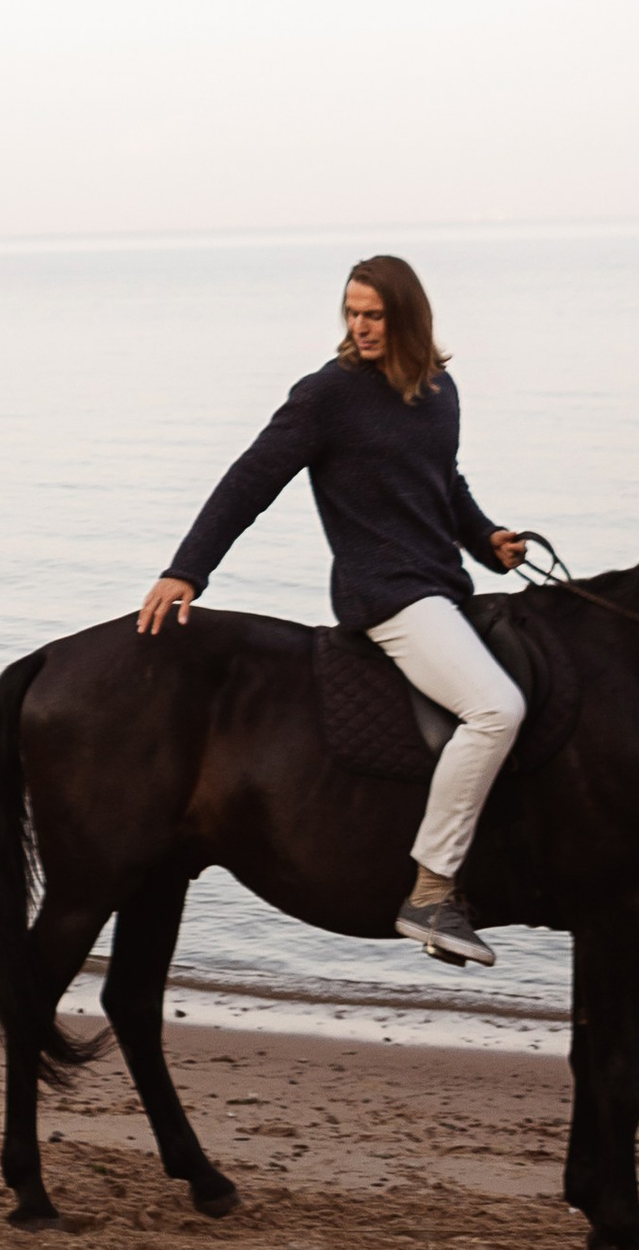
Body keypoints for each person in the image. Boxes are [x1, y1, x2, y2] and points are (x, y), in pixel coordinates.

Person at [136, 255, 531, 969]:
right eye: (351, 312)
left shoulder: (439, 391)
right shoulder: (328, 395)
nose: (360, 326)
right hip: (385, 596)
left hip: (443, 585)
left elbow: (443, 482)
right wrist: (186, 569)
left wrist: (487, 539)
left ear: (406, 316)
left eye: (373, 314)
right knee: (497, 709)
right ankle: (432, 892)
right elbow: (251, 477)